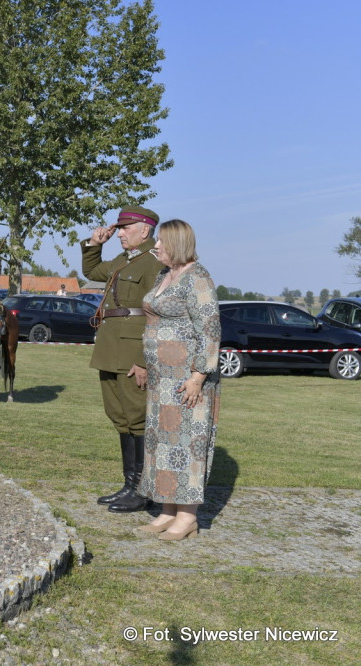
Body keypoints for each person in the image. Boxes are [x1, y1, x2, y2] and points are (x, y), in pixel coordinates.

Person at [134, 219, 220, 541]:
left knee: (186, 445)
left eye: (161, 242)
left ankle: (187, 518)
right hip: (162, 380)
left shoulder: (198, 278)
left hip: (187, 380)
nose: (155, 246)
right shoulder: (164, 275)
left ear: (178, 244)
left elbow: (210, 331)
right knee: (163, 445)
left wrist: (198, 376)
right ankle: (167, 512)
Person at [82, 205, 163, 513]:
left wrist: (144, 359)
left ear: (145, 230)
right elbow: (91, 272)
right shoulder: (123, 260)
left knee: (137, 417)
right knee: (118, 415)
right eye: (120, 228)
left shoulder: (153, 263)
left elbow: (156, 315)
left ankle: (144, 490)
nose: (120, 233)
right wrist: (94, 245)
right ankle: (129, 485)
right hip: (110, 346)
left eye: (126, 228)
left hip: (133, 350)